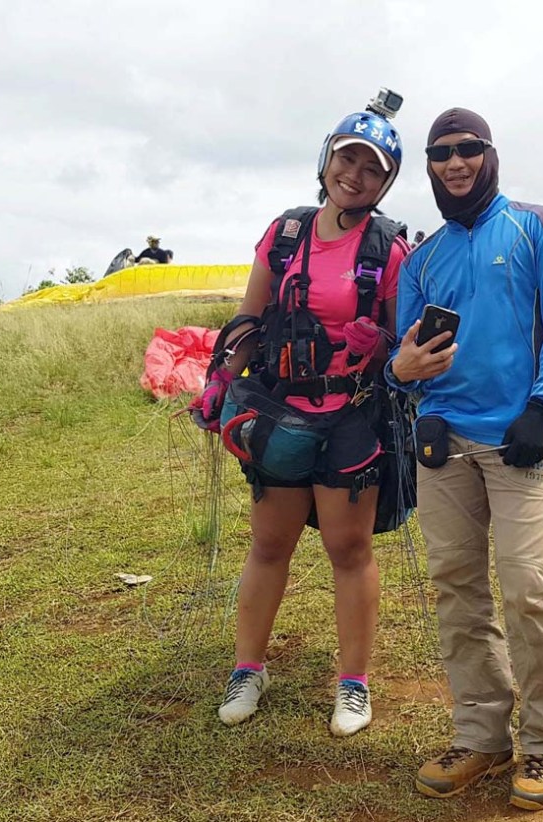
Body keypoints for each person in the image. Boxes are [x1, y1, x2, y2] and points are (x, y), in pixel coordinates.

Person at [385, 108, 543, 811]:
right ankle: (480, 736)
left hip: (519, 441)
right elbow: (403, 353)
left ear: (489, 154)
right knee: (457, 589)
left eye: (468, 149)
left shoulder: (539, 227)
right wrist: (408, 381)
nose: (455, 162)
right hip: (443, 445)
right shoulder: (423, 258)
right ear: (430, 167)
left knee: (529, 587)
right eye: (441, 153)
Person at [192, 104, 408, 738]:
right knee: (269, 544)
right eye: (347, 158)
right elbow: (250, 317)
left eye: (373, 169)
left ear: (386, 182)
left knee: (349, 548)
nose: (355, 175)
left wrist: (382, 345)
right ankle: (248, 669)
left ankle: (353, 684)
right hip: (280, 412)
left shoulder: (388, 249)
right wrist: (222, 379)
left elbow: (401, 342)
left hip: (352, 416)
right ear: (326, 160)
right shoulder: (286, 234)